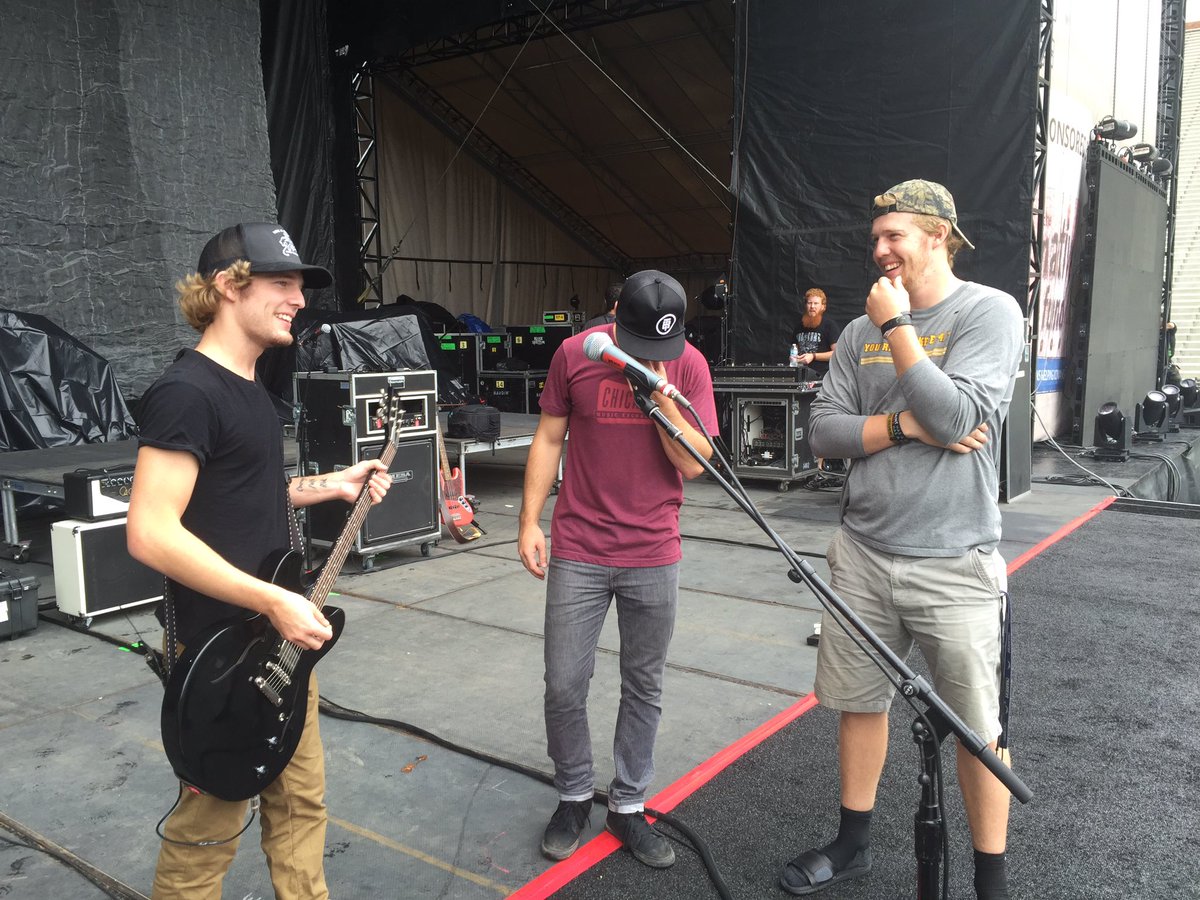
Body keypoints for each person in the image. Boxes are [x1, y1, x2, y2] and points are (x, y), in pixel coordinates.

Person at [127, 222, 393, 900]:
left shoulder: (248, 389)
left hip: (278, 644)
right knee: (207, 831)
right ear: (227, 286)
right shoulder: (188, 392)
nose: (298, 299)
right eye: (282, 283)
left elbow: (239, 493)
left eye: (300, 286)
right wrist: (272, 598)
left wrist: (328, 486)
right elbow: (150, 531)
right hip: (220, 653)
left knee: (301, 807)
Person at [782, 181, 1024, 899]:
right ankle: (852, 842)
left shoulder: (988, 312)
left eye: (895, 236)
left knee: (978, 732)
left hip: (955, 561)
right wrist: (900, 426)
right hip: (861, 553)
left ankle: (991, 881)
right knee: (861, 703)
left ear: (939, 235)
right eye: (876, 237)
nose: (880, 249)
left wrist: (899, 332)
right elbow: (824, 433)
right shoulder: (856, 332)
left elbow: (956, 418)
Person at [519, 270, 718, 869]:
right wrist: (529, 520)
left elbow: (693, 465)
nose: (652, 355)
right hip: (579, 545)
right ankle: (575, 794)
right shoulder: (574, 355)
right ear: (613, 316)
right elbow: (550, 437)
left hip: (653, 550)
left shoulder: (688, 367)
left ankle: (628, 804)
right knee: (563, 683)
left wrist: (656, 391)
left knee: (644, 685)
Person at [791, 287, 841, 377]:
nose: (812, 306)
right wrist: (793, 358)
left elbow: (837, 354)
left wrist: (813, 356)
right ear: (806, 305)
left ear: (823, 307)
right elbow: (795, 350)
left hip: (823, 377)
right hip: (800, 376)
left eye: (816, 303)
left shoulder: (829, 325)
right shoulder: (798, 327)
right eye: (809, 303)